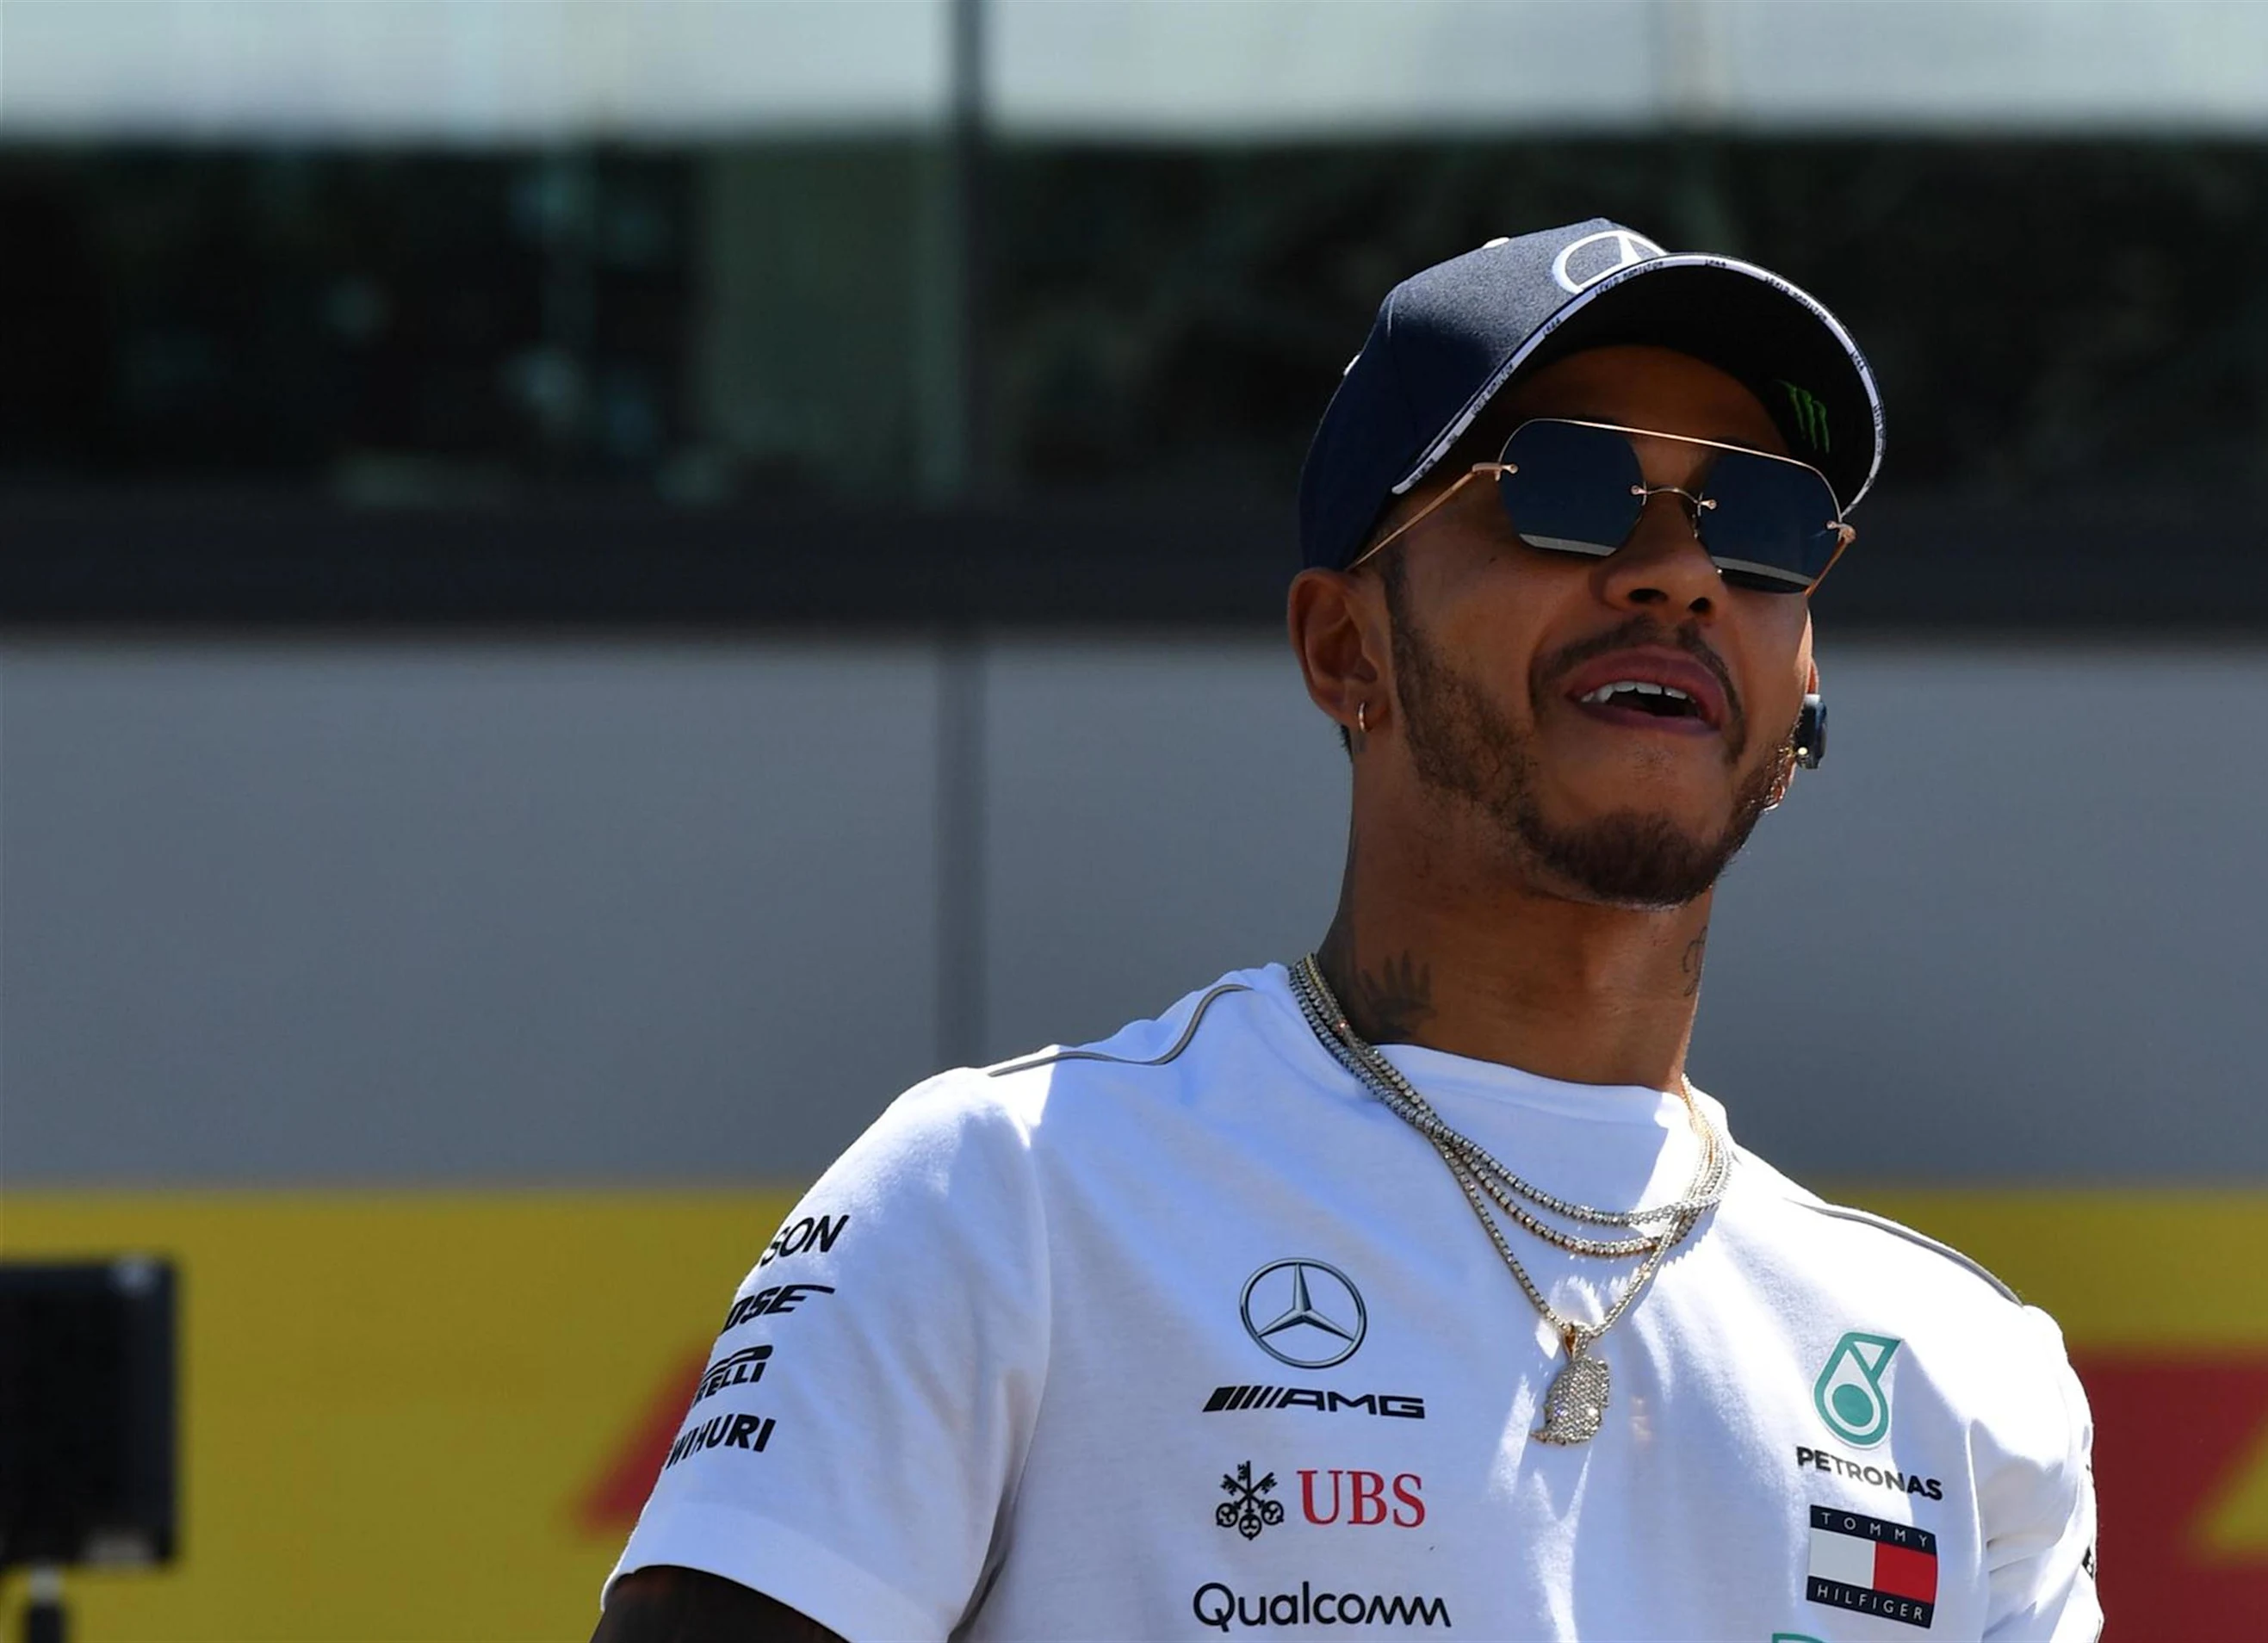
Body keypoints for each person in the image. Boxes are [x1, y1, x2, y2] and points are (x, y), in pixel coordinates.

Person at [595, 219, 2100, 1642]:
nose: (1681, 573)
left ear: (1803, 691)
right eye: (1562, 491)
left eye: (1761, 524)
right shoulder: (1008, 1202)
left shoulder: (1963, 1382)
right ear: (1342, 647)